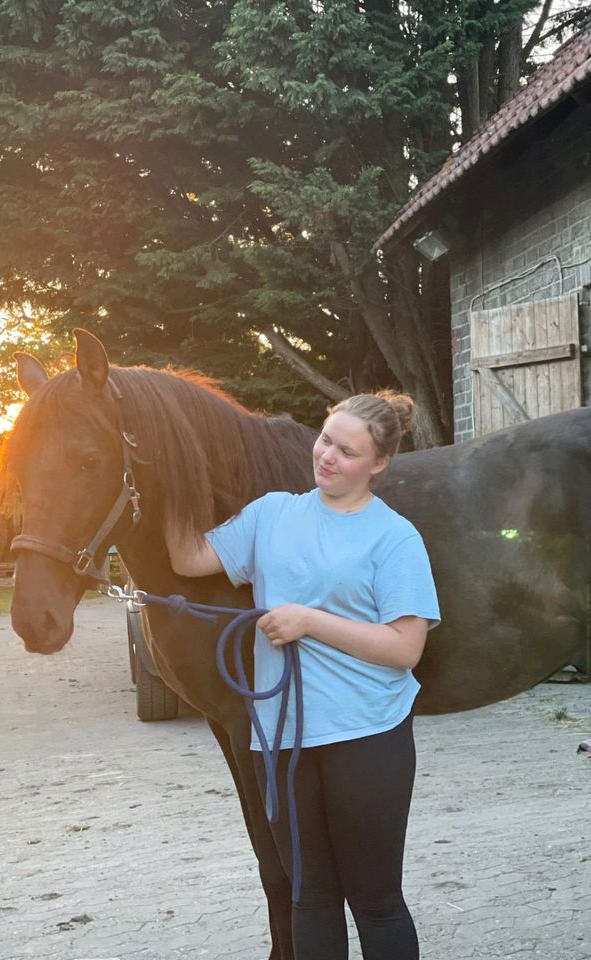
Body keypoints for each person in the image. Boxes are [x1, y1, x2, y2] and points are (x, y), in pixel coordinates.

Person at [165, 391, 440, 960]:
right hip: (284, 740)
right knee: (309, 897)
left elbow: (405, 647)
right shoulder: (272, 514)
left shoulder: (394, 537)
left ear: (378, 464)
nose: (328, 457)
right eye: (325, 440)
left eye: (347, 450)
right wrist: (171, 470)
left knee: (375, 898)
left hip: (366, 736)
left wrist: (309, 620)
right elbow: (188, 558)